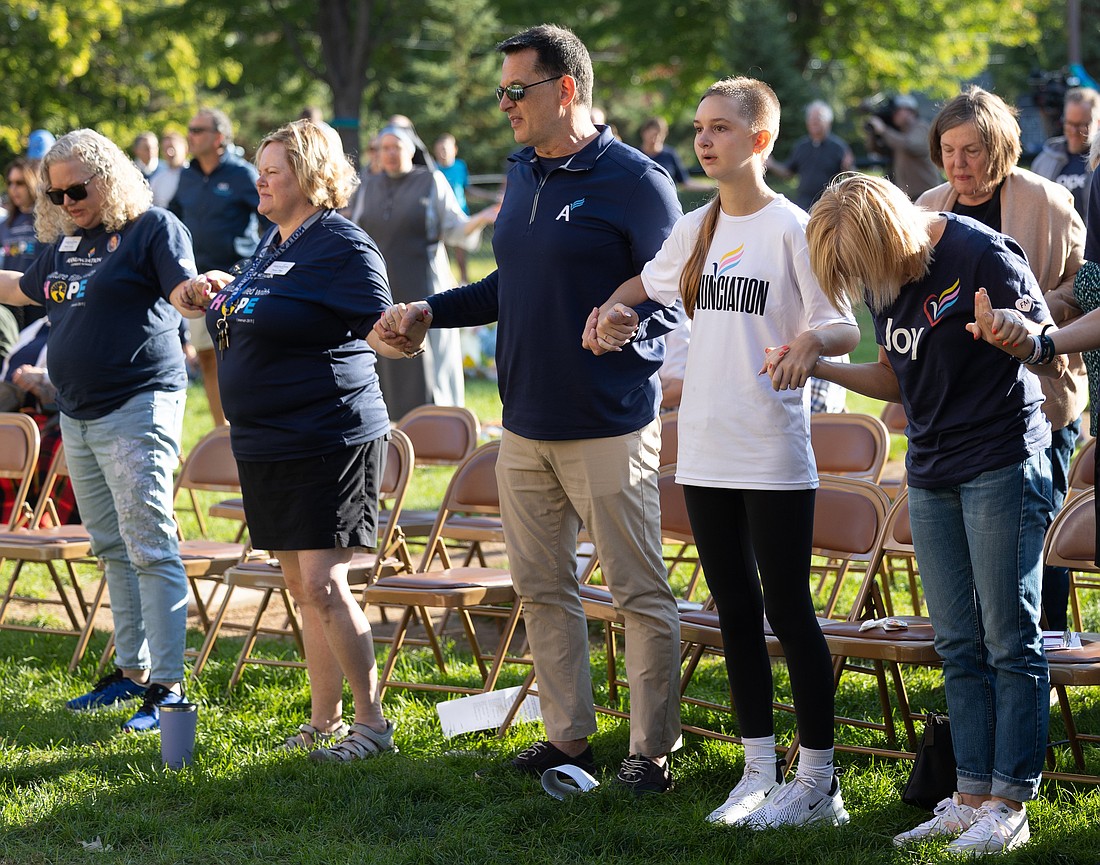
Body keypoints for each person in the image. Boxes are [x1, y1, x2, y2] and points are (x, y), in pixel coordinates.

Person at [375, 23, 685, 793]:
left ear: (567, 89)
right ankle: (569, 738)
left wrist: (629, 322)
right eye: (503, 89)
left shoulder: (638, 181)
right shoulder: (521, 171)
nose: (505, 102)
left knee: (638, 592)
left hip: (611, 423)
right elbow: (503, 285)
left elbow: (676, 295)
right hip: (524, 424)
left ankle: (652, 750)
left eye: (518, 89)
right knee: (543, 589)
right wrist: (426, 309)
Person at [588, 77, 859, 828]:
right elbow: (644, 285)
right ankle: (757, 770)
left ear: (761, 140)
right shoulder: (697, 227)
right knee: (734, 609)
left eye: (722, 129)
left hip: (771, 450)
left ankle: (820, 782)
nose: (705, 141)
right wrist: (614, 310)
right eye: (700, 128)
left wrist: (809, 340)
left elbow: (843, 327)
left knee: (788, 609)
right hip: (702, 449)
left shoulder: (795, 227)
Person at [806, 173, 1057, 855]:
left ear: (889, 236)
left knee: (1009, 635)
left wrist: (1014, 332)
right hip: (931, 467)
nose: (866, 288)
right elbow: (895, 374)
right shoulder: (883, 276)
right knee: (956, 642)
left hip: (1001, 460)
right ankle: (969, 794)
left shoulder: (983, 255)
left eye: (864, 270)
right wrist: (825, 370)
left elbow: (1045, 342)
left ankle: (1012, 800)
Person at [181, 119, 401, 761]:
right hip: (266, 439)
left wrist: (406, 329)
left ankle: (372, 726)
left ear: (308, 176)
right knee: (302, 588)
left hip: (327, 434)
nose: (260, 179)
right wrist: (220, 292)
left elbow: (380, 329)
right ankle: (323, 720)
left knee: (327, 584)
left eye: (272, 170)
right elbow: (261, 311)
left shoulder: (344, 245)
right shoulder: (272, 242)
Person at [0, 129, 197, 731]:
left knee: (150, 544)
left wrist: (197, 292)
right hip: (77, 414)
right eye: (55, 195)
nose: (67, 203)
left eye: (77, 189)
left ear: (109, 176)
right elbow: (20, 289)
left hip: (138, 404)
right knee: (111, 546)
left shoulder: (153, 228)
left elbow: (184, 291)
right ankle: (132, 671)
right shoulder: (66, 243)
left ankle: (167, 686)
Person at [917, 85, 1086, 632]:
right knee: (971, 554)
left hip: (1035, 398)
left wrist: (1027, 316)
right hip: (956, 405)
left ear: (1001, 148)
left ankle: (1048, 648)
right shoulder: (926, 208)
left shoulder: (1047, 202)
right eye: (948, 149)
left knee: (1037, 538)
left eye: (973, 150)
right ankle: (985, 661)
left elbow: (1083, 287)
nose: (959, 164)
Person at [350, 124, 495, 420]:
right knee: (385, 347)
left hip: (425, 282)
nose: (389, 154)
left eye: (396, 147)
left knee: (430, 357)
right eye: (384, 148)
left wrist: (482, 217)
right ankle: (387, 421)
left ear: (411, 149)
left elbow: (455, 228)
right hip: (381, 285)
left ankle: (437, 425)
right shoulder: (368, 185)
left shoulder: (432, 181)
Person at [170, 107, 265, 427]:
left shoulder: (242, 175)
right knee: (208, 357)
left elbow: (273, 220)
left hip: (237, 280)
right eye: (190, 129)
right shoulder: (186, 175)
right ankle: (219, 432)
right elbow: (171, 220)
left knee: (240, 357)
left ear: (219, 138)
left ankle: (249, 427)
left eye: (198, 130)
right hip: (199, 283)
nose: (190, 135)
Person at [767, 100, 854, 211]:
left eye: (818, 118)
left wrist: (849, 168)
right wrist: (772, 164)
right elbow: (788, 173)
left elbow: (851, 177)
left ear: (828, 122)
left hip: (829, 206)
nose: (814, 121)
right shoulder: (801, 146)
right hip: (803, 205)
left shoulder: (839, 147)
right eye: (811, 118)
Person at [1031, 87, 1100, 224]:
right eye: (1069, 123)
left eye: (1081, 125)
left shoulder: (1098, 162)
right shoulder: (1044, 161)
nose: (1073, 131)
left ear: (1097, 123)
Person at [865, 94, 941, 199]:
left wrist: (884, 130)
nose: (894, 115)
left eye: (897, 111)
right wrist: (873, 132)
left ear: (910, 111)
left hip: (926, 193)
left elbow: (909, 145)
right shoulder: (898, 134)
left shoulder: (921, 127)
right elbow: (877, 150)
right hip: (907, 195)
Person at [1, 158, 47, 329]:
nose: (13, 189)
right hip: (11, 305)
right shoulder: (6, 224)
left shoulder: (48, 220)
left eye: (19, 183)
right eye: (10, 183)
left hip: (38, 303)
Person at [434, 132, 472, 283]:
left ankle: (464, 283)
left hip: (460, 215)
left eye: (446, 149)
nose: (443, 153)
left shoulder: (460, 166)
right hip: (440, 216)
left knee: (461, 254)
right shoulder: (432, 169)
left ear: (454, 149)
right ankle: (446, 284)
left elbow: (467, 189)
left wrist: (491, 197)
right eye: (440, 149)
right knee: (442, 254)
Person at [150, 131, 187, 209]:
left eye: (172, 147)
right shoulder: (157, 179)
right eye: (165, 149)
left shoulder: (196, 175)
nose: (169, 153)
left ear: (184, 148)